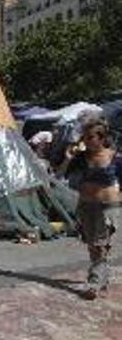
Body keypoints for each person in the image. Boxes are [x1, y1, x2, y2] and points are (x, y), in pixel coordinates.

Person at [56, 118, 121, 299]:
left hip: (107, 208)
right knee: (93, 246)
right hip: (85, 206)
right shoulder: (80, 158)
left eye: (91, 137)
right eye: (85, 137)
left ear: (102, 138)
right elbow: (59, 175)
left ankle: (93, 283)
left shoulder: (115, 157)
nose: (86, 140)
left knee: (99, 245)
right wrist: (67, 159)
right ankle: (102, 278)